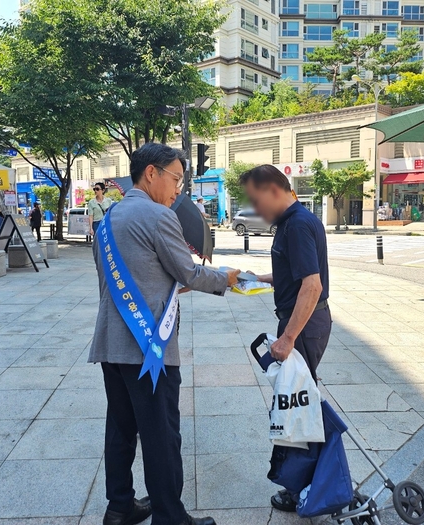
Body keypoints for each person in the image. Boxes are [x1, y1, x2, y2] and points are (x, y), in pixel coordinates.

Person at [89, 143, 240, 525]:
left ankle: (120, 507)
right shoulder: (158, 216)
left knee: (121, 431)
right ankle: (171, 517)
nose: (179, 189)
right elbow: (187, 272)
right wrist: (226, 278)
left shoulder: (108, 219)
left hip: (111, 343)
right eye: (176, 179)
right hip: (147, 349)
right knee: (161, 434)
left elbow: (133, 277)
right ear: (151, 173)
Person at [238, 164, 331, 513]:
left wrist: (288, 338)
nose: (256, 211)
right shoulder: (292, 223)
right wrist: (253, 279)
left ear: (276, 190)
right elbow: (290, 275)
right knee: (297, 404)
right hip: (303, 322)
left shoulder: (297, 225)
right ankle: (305, 480)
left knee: (297, 406)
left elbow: (312, 285)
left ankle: (301, 486)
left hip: (304, 326)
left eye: (258, 202)